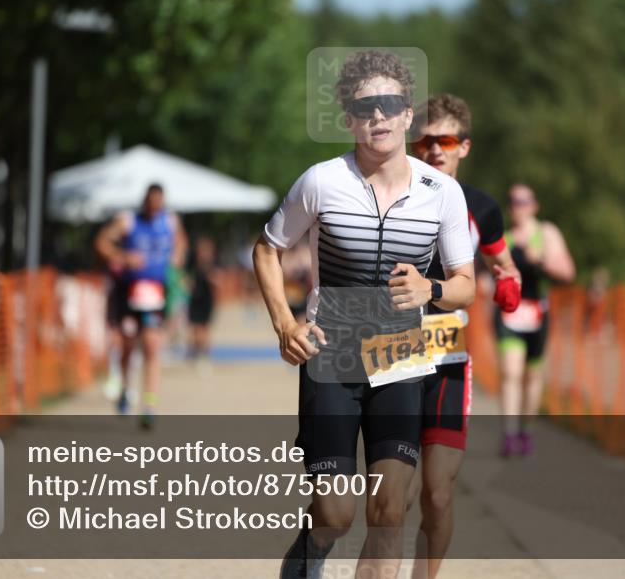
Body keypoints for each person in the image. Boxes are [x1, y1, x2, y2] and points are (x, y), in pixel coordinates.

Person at [252, 50, 476, 579]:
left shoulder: (442, 192)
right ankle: (309, 558)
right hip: (331, 358)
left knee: (388, 511)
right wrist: (285, 324)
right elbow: (267, 249)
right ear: (349, 118)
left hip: (402, 357)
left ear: (406, 115)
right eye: (364, 106)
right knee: (335, 514)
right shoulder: (321, 182)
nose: (377, 115)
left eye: (389, 103)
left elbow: (465, 286)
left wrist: (431, 287)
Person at [406, 93, 521, 578]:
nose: (435, 149)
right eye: (427, 140)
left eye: (446, 140)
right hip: (392, 357)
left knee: (437, 492)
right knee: (389, 493)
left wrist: (510, 282)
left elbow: (502, 259)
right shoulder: (394, 194)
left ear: (464, 147)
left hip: (449, 362)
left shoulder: (482, 208)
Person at [95, 183, 187, 430]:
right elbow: (102, 242)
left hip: (155, 293)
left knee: (151, 346)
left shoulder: (170, 221)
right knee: (127, 342)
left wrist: (176, 260)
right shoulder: (128, 220)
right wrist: (123, 258)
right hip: (128, 291)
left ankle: (149, 406)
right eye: (151, 204)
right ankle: (126, 387)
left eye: (159, 204)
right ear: (145, 202)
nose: (154, 209)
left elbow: (181, 243)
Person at [498, 183, 575, 456]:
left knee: (533, 376)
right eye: (513, 201)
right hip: (509, 314)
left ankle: (525, 430)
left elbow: (568, 272)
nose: (518, 206)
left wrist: (539, 261)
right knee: (511, 374)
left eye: (524, 201)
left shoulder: (547, 234)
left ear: (534, 205)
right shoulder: (503, 239)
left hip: (538, 314)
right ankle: (508, 436)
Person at [187, 235, 220, 372]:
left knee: (205, 328)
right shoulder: (193, 263)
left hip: (207, 299)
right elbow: (187, 278)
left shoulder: (213, 263)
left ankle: (204, 353)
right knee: (195, 328)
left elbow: (218, 280)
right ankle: (196, 351)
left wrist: (211, 278)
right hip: (195, 298)